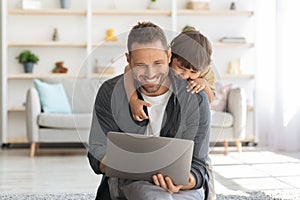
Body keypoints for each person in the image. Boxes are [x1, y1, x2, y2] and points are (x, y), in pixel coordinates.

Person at [88, 21, 211, 200]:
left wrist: (185, 181)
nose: (151, 74)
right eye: (141, 65)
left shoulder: (195, 98)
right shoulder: (110, 92)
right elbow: (97, 152)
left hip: (182, 187)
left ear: (169, 56)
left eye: (157, 63)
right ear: (128, 60)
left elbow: (199, 165)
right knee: (151, 196)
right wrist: (129, 166)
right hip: (130, 180)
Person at [125, 28, 216, 122]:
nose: (185, 75)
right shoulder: (164, 63)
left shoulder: (204, 70)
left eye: (193, 72)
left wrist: (204, 83)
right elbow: (128, 69)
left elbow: (210, 101)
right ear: (171, 56)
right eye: (181, 68)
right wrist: (133, 100)